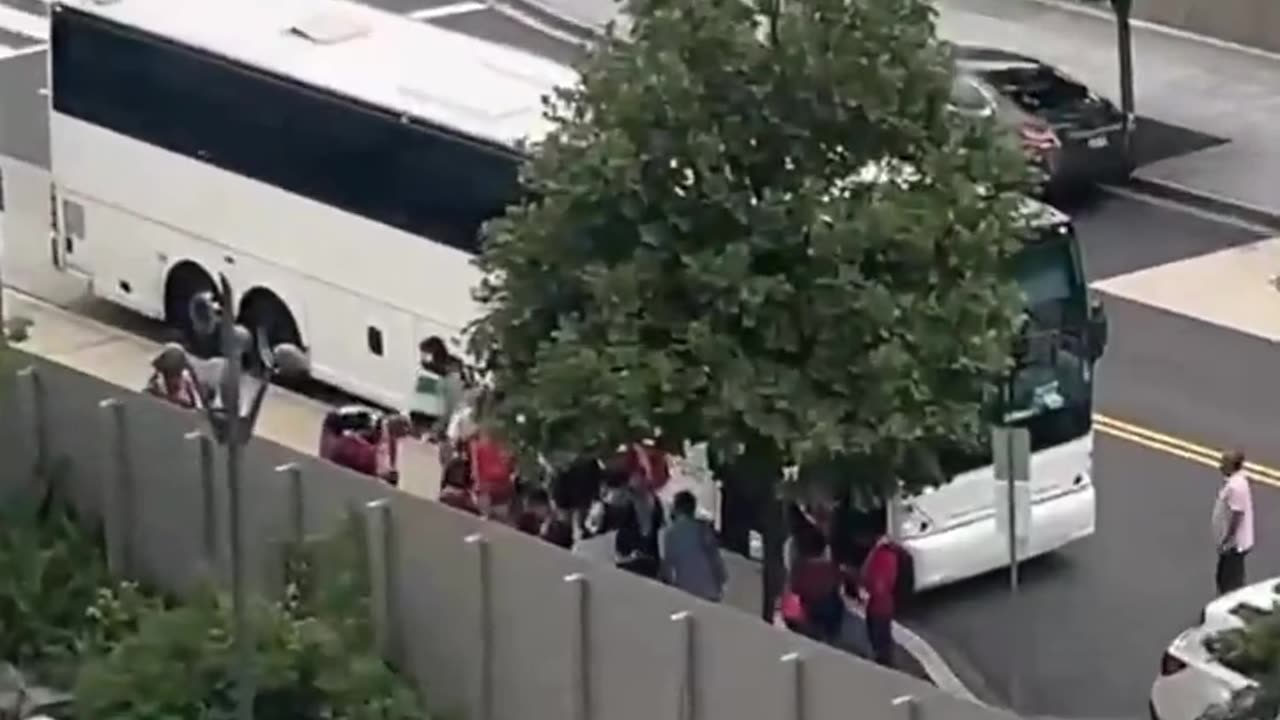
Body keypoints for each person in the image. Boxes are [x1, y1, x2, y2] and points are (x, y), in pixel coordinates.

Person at [660, 490, 727, 602]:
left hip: (686, 590)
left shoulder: (671, 533)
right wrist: (721, 580)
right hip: (710, 590)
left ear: (677, 508)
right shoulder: (703, 530)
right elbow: (715, 560)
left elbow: (667, 566)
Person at [857, 516, 900, 668]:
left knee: (880, 641)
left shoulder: (883, 555)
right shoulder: (882, 552)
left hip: (878, 606)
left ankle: (886, 666)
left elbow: (879, 583)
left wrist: (868, 593)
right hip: (879, 604)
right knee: (880, 640)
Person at [1213, 449, 1254, 595]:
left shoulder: (1236, 487)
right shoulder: (1236, 481)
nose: (1220, 466)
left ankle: (1231, 605)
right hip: (1232, 544)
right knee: (1226, 577)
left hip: (1234, 545)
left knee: (1229, 581)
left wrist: (1227, 540)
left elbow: (1236, 515)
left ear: (1232, 466)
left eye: (1224, 463)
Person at [615, 464, 665, 579]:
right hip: (629, 560)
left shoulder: (654, 503)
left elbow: (658, 530)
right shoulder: (626, 504)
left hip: (648, 560)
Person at [144, 346, 204, 410]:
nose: (170, 376)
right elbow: (150, 387)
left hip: (182, 406)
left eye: (172, 374)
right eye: (168, 372)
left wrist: (198, 407)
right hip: (163, 402)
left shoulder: (185, 376)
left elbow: (196, 396)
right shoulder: (160, 376)